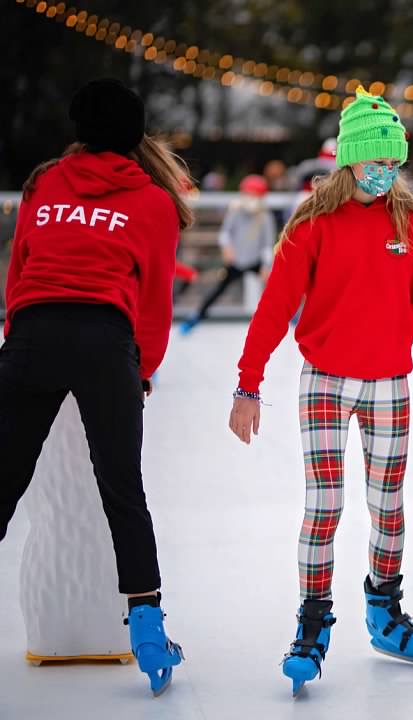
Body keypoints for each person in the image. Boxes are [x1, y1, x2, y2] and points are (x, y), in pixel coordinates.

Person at [227, 89, 413, 691]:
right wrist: (247, 384)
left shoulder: (410, 224)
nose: (386, 174)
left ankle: (384, 610)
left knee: (388, 506)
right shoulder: (313, 225)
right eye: (376, 162)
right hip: (325, 381)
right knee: (325, 507)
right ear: (350, 161)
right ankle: (313, 619)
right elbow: (274, 309)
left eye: (394, 163)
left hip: (389, 384)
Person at [0, 78, 189, 696]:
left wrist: (16, 335)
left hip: (32, 329)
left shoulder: (44, 182)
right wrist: (142, 369)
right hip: (105, 339)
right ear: (136, 135)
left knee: (4, 477)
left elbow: (20, 266)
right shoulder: (155, 200)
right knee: (121, 487)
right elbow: (156, 299)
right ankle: (149, 626)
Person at [180, 174, 275, 334]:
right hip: (235, 260)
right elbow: (225, 234)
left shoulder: (265, 217)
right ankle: (197, 316)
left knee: (275, 288)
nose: (249, 198)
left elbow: (267, 245)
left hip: (255, 261)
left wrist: (267, 266)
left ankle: (290, 317)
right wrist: (227, 249)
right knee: (218, 289)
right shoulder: (236, 212)